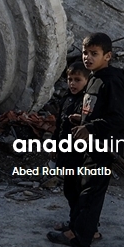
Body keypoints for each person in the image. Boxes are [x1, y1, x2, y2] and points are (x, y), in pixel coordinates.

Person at [46, 32, 124, 247]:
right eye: (85, 53)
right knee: (80, 195)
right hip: (87, 149)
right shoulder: (94, 78)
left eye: (94, 54)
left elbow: (117, 120)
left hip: (101, 150)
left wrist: (90, 127)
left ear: (107, 56)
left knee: (89, 198)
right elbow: (94, 110)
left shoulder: (112, 81)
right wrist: (80, 118)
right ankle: (76, 233)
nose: (88, 58)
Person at [50, 62, 92, 236]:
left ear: (87, 81)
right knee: (69, 190)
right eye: (70, 79)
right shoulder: (66, 99)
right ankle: (75, 222)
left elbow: (90, 126)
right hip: (65, 152)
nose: (73, 83)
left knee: (78, 191)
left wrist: (81, 120)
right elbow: (59, 125)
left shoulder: (87, 102)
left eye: (77, 80)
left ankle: (80, 228)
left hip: (78, 155)